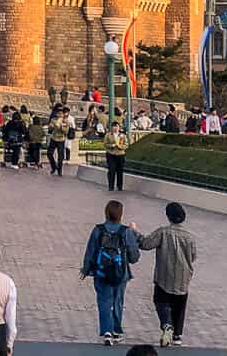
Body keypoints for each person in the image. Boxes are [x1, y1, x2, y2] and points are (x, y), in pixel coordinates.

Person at [80, 198, 141, 346]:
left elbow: (90, 251)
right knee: (117, 301)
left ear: (106, 213)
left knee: (104, 301)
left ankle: (106, 331)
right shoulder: (126, 232)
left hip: (101, 272)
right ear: (120, 214)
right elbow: (134, 257)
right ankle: (116, 330)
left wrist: (86, 269)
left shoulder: (98, 230)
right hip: (121, 273)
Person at [137, 201, 195, 348]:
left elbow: (145, 244)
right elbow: (193, 256)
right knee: (179, 306)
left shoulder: (163, 232)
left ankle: (167, 324)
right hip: (183, 277)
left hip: (164, 276)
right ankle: (177, 335)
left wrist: (134, 232)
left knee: (161, 301)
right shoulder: (190, 237)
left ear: (168, 216)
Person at [104, 121, 128, 191]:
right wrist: (112, 145)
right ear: (111, 127)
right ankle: (111, 186)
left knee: (120, 171)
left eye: (117, 126)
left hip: (120, 154)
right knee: (111, 170)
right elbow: (105, 144)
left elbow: (126, 145)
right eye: (114, 126)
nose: (115, 128)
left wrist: (119, 146)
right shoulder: (108, 135)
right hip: (111, 154)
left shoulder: (123, 135)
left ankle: (119, 186)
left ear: (119, 127)